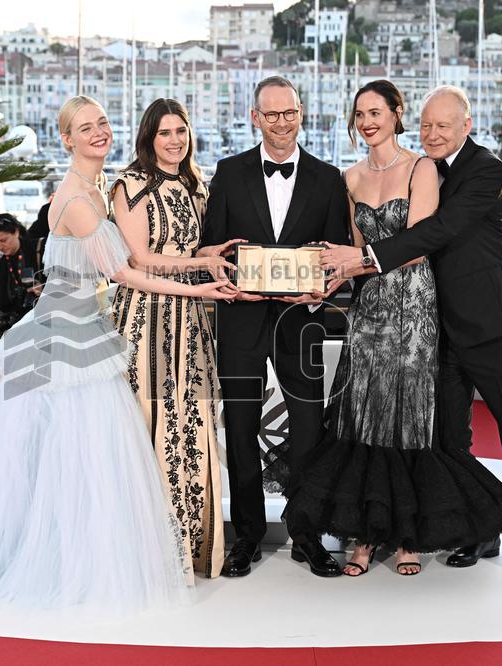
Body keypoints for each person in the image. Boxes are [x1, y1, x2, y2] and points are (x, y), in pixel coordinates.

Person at [0, 95, 235, 615]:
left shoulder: (97, 191)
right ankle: (51, 561)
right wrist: (200, 289)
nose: (98, 132)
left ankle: (63, 554)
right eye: (84, 127)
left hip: (85, 331)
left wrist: (199, 257)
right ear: (66, 139)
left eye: (101, 123)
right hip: (61, 340)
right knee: (63, 462)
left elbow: (137, 257)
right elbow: (124, 273)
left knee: (75, 462)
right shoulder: (75, 200)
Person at [321, 85, 502, 602]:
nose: (433, 134)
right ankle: (478, 531)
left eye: (443, 125)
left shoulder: (484, 168)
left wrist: (364, 259)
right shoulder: (418, 168)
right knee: (450, 446)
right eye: (427, 125)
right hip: (433, 333)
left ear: (466, 124)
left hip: (492, 331)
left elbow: (438, 231)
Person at [282, 80, 502, 577]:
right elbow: (345, 255)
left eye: (376, 112)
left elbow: (419, 243)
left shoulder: (422, 168)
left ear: (395, 115)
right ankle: (364, 535)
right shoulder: (347, 180)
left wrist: (354, 262)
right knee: (362, 417)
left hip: (414, 306)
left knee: (410, 419)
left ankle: (408, 536)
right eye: (359, 114)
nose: (367, 122)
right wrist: (322, 286)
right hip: (369, 311)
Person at [201, 76, 349, 578]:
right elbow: (209, 249)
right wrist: (223, 276)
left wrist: (322, 288)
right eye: (272, 114)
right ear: (255, 118)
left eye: (290, 113)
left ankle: (307, 534)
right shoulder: (227, 172)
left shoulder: (330, 180)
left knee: (309, 430)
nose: (281, 123)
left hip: (301, 324)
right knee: (240, 428)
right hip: (240, 320)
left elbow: (335, 257)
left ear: (301, 114)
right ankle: (246, 537)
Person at [110, 98, 239, 578]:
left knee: (193, 428)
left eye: (181, 131)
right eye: (164, 132)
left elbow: (186, 246)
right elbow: (141, 260)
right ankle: (148, 556)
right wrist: (201, 266)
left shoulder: (197, 182)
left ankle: (192, 549)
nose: (174, 140)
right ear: (148, 136)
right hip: (144, 317)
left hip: (192, 318)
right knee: (149, 425)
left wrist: (212, 252)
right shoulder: (130, 186)